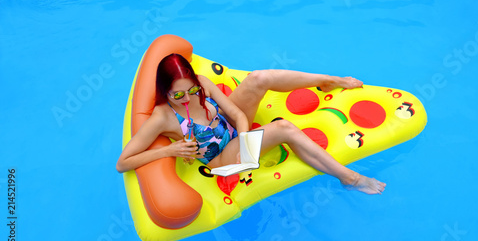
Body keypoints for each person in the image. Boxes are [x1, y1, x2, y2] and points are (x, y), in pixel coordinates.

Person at [116, 53, 386, 195]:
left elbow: (237, 113)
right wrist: (169, 151)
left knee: (258, 78)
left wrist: (245, 138)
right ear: (165, 92)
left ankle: (329, 80)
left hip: (234, 133)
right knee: (284, 129)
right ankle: (349, 178)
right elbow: (123, 162)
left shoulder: (201, 83)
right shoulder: (163, 116)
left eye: (191, 90)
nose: (187, 98)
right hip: (221, 158)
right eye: (177, 95)